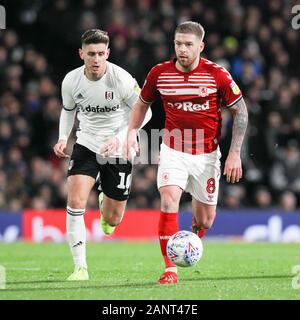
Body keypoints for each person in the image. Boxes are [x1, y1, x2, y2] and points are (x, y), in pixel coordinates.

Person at [124, 21, 248, 284]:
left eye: (188, 44)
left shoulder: (217, 74)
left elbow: (241, 111)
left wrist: (234, 153)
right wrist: (131, 132)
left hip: (207, 155)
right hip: (173, 149)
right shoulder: (159, 73)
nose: (182, 49)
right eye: (178, 43)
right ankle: (170, 269)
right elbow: (142, 103)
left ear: (200, 46)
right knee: (169, 201)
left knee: (206, 221)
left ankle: (194, 229)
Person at [53, 29, 151, 281]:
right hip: (86, 144)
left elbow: (145, 113)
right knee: (75, 201)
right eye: (91, 54)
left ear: (107, 53)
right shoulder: (71, 81)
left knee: (112, 219)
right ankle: (80, 268)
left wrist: (120, 137)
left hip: (118, 147)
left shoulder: (121, 78)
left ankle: (106, 205)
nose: (96, 59)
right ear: (81, 53)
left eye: (100, 54)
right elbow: (68, 110)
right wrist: (64, 137)